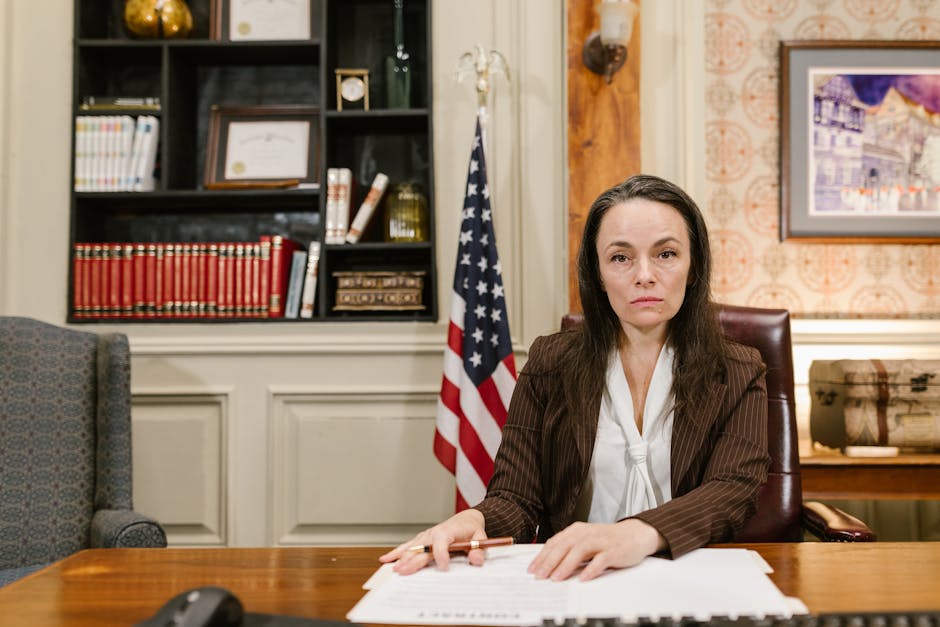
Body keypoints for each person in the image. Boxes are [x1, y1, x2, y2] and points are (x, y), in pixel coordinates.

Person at [380, 174, 770, 581]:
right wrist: (476, 519)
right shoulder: (551, 362)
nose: (644, 275)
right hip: (576, 577)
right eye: (620, 257)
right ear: (598, 274)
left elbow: (732, 491)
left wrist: (640, 534)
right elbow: (516, 498)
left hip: (690, 577)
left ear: (693, 267)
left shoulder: (739, 369)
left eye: (666, 254)